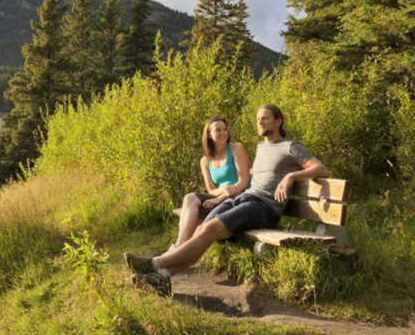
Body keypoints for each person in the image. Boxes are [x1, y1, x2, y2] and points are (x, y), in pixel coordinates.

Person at [124, 104, 328, 297]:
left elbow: (320, 168)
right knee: (202, 230)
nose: (260, 122)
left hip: (265, 207)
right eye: (258, 119)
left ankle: (154, 263)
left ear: (278, 121)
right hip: (246, 198)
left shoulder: (291, 146)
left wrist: (291, 176)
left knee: (210, 229)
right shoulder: (261, 147)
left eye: (265, 118)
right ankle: (163, 277)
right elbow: (259, 174)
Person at [170, 116, 250, 252]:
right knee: (189, 198)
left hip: (238, 198)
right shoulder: (205, 161)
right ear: (208, 134)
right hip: (219, 197)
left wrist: (220, 197)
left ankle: (176, 253)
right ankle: (178, 249)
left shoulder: (236, 148)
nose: (223, 133)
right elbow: (211, 190)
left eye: (225, 129)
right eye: (218, 130)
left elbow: (243, 182)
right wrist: (223, 189)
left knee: (194, 216)